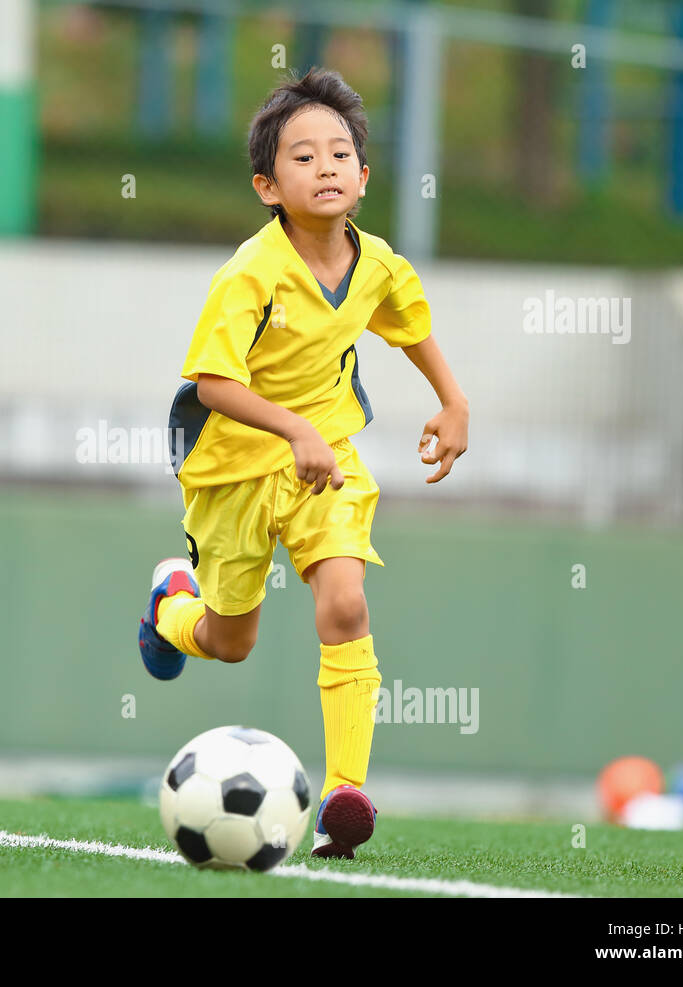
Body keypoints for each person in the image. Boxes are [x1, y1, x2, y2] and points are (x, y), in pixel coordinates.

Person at [137, 68, 469, 859]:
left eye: (340, 152)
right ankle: (165, 606)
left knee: (346, 603)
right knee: (228, 640)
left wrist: (453, 401)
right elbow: (212, 381)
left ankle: (345, 795)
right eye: (302, 156)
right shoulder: (249, 274)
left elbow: (409, 321)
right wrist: (290, 428)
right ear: (266, 184)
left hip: (328, 463)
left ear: (363, 174)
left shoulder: (376, 262)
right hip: (231, 473)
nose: (325, 166)